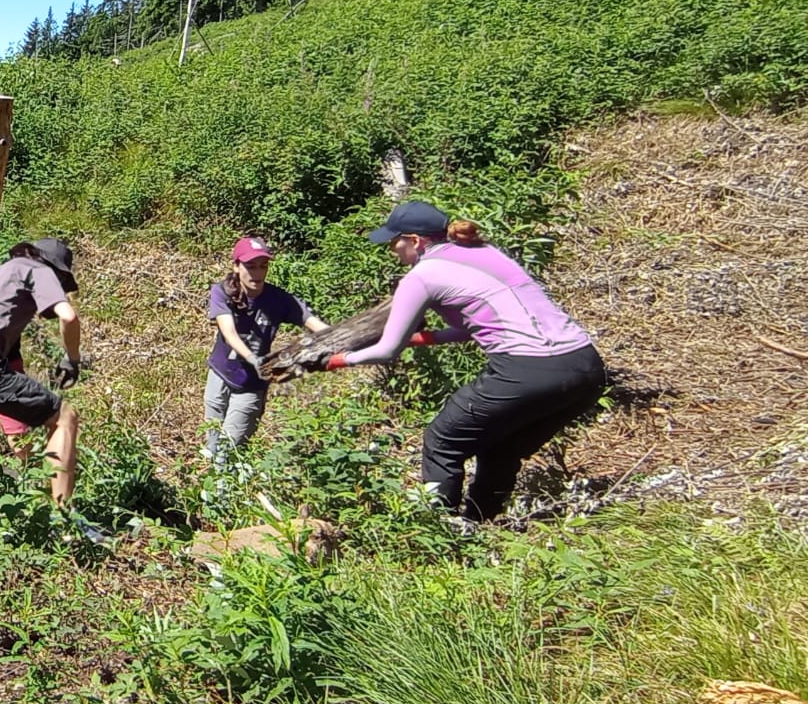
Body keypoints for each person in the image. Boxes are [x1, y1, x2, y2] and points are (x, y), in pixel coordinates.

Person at [325, 201, 605, 523]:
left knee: (442, 441)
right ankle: (480, 524)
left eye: (394, 242)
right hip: (586, 367)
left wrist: (339, 359)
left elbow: (388, 350)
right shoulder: (485, 252)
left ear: (415, 241)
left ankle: (437, 529)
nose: (392, 250)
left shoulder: (422, 276)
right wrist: (427, 338)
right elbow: (485, 323)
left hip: (526, 369)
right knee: (501, 445)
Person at [0, 237, 83, 502]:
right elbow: (68, 316)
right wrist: (72, 359)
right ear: (56, 270)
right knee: (65, 417)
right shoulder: (38, 269)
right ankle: (63, 514)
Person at [204, 238, 328, 462]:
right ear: (236, 266)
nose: (257, 273)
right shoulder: (222, 292)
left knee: (227, 452)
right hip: (220, 374)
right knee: (211, 446)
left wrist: (348, 337)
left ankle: (225, 483)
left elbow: (315, 324)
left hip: (251, 384)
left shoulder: (278, 299)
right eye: (250, 266)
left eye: (263, 266)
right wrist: (252, 357)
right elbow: (229, 332)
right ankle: (211, 482)